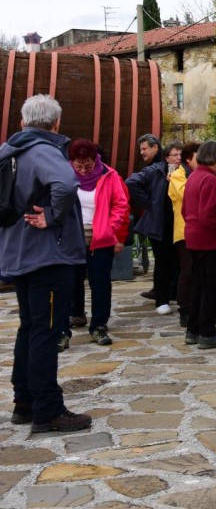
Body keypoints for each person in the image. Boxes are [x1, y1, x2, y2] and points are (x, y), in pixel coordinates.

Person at [0, 94, 92, 433]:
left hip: (19, 254)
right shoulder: (43, 151)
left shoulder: (9, 152)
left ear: (22, 122)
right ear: (56, 125)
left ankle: (23, 402)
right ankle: (47, 409)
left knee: (30, 327)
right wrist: (52, 217)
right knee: (46, 332)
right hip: (48, 257)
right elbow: (67, 184)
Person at [64, 139, 129, 348]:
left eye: (88, 166)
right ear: (71, 162)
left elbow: (121, 203)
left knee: (100, 284)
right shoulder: (63, 175)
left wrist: (111, 227)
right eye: (78, 166)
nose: (83, 170)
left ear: (96, 160)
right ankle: (68, 323)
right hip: (71, 240)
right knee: (69, 283)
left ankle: (99, 326)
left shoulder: (110, 176)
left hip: (100, 239)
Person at [182, 141, 216, 350]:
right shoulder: (210, 181)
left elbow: (186, 210)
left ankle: (193, 330)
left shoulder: (194, 177)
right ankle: (207, 332)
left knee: (198, 286)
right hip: (211, 242)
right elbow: (209, 215)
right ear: (214, 158)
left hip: (195, 239)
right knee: (212, 289)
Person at [126, 134, 178, 315]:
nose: (141, 152)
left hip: (176, 223)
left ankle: (171, 292)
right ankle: (162, 297)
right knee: (164, 261)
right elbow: (131, 182)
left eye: (144, 148)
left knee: (175, 261)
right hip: (161, 224)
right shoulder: (156, 170)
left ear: (156, 148)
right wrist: (149, 204)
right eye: (174, 154)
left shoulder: (177, 170)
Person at [168, 141, 201, 328]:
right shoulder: (177, 176)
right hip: (185, 232)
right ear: (189, 159)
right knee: (187, 272)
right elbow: (187, 194)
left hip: (202, 231)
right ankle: (185, 310)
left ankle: (208, 307)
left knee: (203, 272)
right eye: (199, 156)